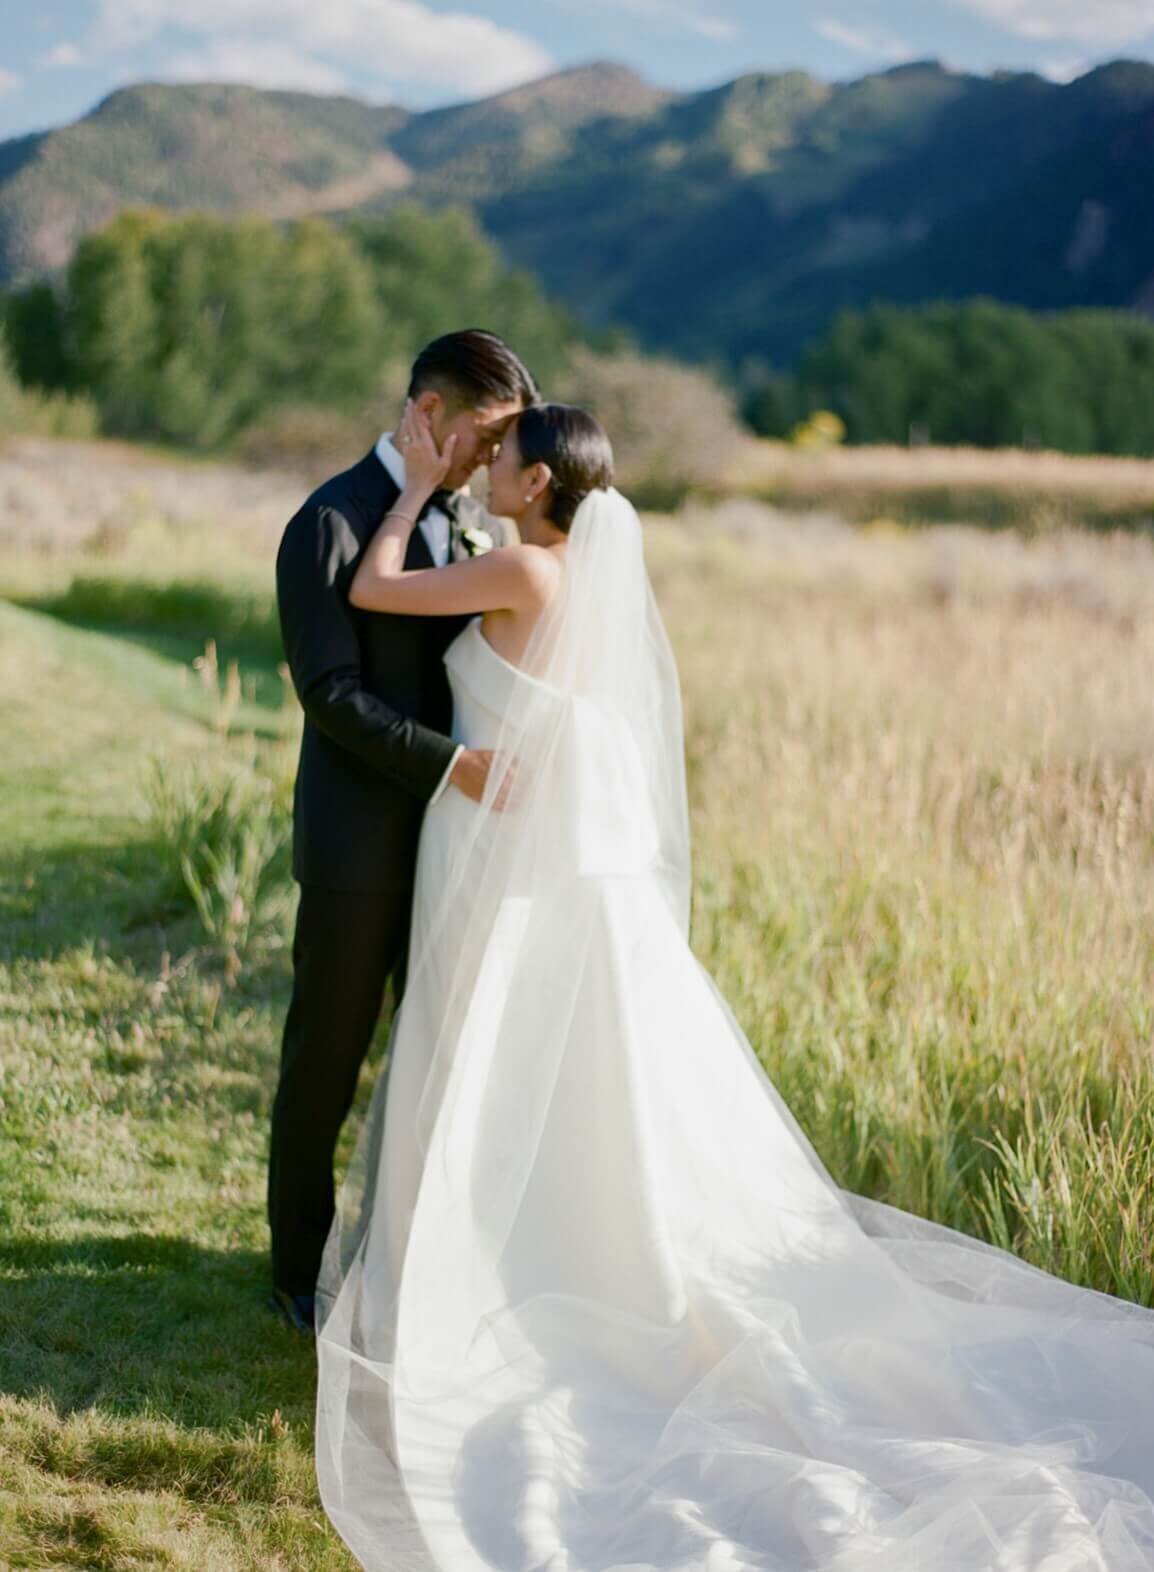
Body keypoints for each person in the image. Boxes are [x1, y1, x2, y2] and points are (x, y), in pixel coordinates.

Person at [313, 400, 1154, 1572]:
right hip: (527, 857)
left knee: (486, 1060)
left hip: (497, 861)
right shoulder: (563, 578)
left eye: (499, 454)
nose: (483, 463)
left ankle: (479, 1274)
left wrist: (408, 488)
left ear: (538, 478)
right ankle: (515, 1256)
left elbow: (372, 593)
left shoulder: (520, 568)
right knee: (547, 1083)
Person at [268, 329, 538, 1334]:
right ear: (429, 414)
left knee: (435, 1070)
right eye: (486, 433)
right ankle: (295, 1272)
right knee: (325, 1065)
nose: (492, 457)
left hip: (458, 856)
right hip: (357, 856)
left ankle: (410, 1266)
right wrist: (456, 767)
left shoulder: (469, 525)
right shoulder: (327, 523)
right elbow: (330, 694)